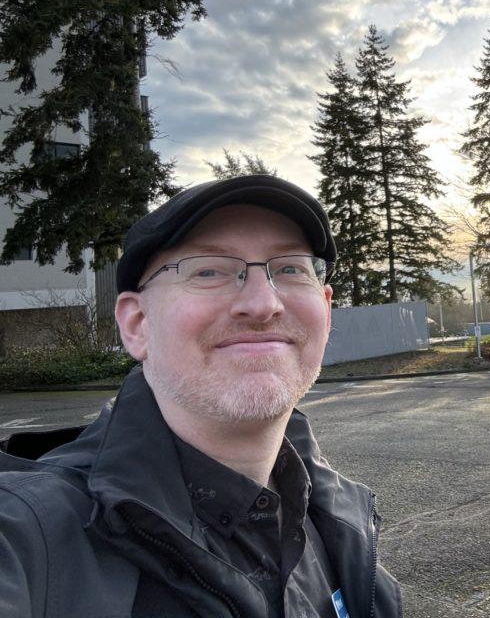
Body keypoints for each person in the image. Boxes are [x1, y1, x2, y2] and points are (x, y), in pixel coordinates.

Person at [0, 175, 402, 617]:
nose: (263, 303)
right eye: (209, 269)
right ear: (137, 324)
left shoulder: (343, 527)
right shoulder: (30, 538)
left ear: (325, 310)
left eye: (290, 269)